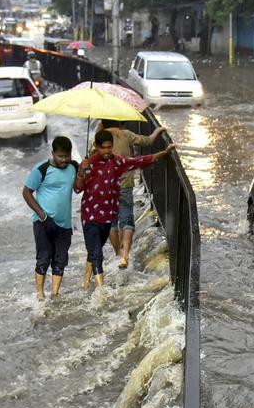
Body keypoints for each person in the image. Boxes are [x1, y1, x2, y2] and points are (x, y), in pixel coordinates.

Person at [75, 130, 175, 292]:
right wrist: (81, 172)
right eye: (103, 148)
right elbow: (78, 188)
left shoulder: (118, 162)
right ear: (96, 147)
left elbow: (139, 161)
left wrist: (162, 154)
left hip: (108, 215)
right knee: (96, 253)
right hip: (90, 215)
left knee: (95, 249)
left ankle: (86, 280)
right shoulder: (88, 164)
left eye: (109, 147)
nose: (107, 151)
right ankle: (102, 290)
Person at [98, 119, 165, 270]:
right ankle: (125, 256)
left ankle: (117, 252)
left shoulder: (99, 138)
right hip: (125, 185)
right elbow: (148, 141)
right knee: (127, 218)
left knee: (111, 221)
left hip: (105, 187)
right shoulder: (126, 134)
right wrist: (157, 131)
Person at [22, 137, 79, 300]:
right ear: (53, 153)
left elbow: (77, 189)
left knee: (60, 260)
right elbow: (26, 193)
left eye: (67, 156)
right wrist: (43, 216)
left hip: (65, 224)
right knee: (43, 258)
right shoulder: (42, 169)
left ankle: (54, 294)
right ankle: (40, 294)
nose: (64, 160)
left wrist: (82, 172)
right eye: (60, 156)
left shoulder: (73, 167)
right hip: (43, 222)